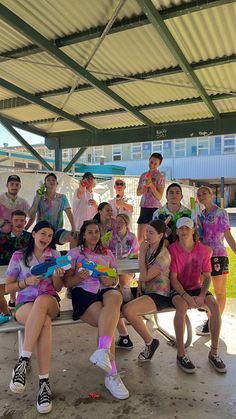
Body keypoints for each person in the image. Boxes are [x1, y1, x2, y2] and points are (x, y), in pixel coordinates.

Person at [64, 220, 129, 400]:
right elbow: (66, 282)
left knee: (116, 296)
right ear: (83, 235)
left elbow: (115, 276)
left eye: (96, 232)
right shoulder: (75, 254)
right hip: (83, 292)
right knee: (107, 321)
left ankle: (102, 353)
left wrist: (112, 281)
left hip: (105, 291)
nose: (94, 235)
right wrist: (78, 277)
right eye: (90, 232)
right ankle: (111, 375)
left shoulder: (107, 253)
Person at [6, 221, 65, 414]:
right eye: (43, 234)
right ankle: (44, 384)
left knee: (42, 302)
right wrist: (26, 282)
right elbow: (8, 288)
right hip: (24, 303)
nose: (46, 239)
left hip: (49, 302)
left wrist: (57, 275)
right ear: (33, 234)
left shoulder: (55, 256)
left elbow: (58, 288)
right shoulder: (19, 256)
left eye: (50, 236)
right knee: (44, 323)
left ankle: (22, 361)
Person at [168, 217, 227, 374]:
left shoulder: (202, 250)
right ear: (177, 231)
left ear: (193, 230)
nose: (184, 231)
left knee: (214, 305)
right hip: (178, 289)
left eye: (187, 228)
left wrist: (201, 295)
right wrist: (186, 296)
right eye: (181, 228)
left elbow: (207, 277)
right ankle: (181, 354)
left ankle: (214, 352)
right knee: (181, 307)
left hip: (196, 287)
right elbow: (173, 278)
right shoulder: (172, 250)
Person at [120, 220, 171, 360]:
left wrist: (141, 252)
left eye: (151, 232)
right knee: (115, 300)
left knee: (128, 310)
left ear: (160, 235)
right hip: (147, 290)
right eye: (146, 231)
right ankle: (124, 337)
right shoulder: (150, 248)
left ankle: (150, 342)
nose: (147, 235)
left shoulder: (163, 256)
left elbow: (145, 276)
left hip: (160, 294)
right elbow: (143, 278)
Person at [196, 186, 236, 335]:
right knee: (202, 288)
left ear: (212, 194)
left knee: (220, 292)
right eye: (199, 194)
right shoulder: (200, 214)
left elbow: (228, 236)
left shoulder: (221, 212)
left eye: (204, 193)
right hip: (203, 256)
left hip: (218, 255)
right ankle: (210, 316)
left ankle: (213, 321)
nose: (201, 196)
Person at [0, 210, 30, 314]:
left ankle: (17, 304)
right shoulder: (2, 236)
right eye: (16, 220)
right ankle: (8, 312)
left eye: (22, 220)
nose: (19, 223)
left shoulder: (30, 237)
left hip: (24, 271)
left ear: (25, 222)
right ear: (11, 222)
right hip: (3, 270)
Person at [137, 153, 165, 244]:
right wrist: (144, 188)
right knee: (140, 237)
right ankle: (141, 254)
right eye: (151, 162)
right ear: (149, 160)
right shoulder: (143, 175)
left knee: (153, 236)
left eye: (155, 163)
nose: (152, 165)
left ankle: (152, 255)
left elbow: (159, 197)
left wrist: (152, 186)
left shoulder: (160, 177)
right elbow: (138, 193)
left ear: (159, 165)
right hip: (144, 207)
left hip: (154, 208)